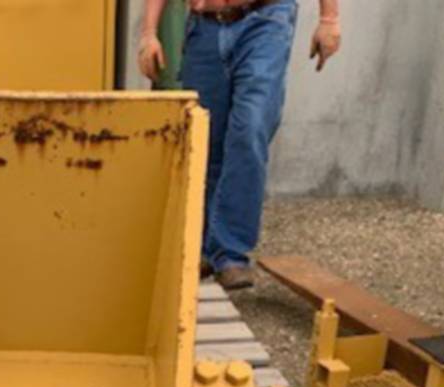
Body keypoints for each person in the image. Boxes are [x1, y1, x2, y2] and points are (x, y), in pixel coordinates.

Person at [139, 0, 341, 290]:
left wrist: (329, 19)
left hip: (265, 20)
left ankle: (230, 251)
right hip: (204, 27)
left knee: (250, 126)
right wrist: (148, 34)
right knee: (206, 137)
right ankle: (206, 249)